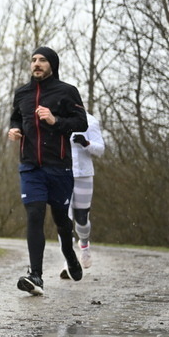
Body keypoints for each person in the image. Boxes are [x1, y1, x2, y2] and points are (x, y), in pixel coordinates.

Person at [7, 47, 88, 296]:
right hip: (31, 166)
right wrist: (13, 130)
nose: (36, 64)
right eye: (33, 60)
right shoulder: (22, 93)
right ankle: (36, 276)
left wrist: (55, 121)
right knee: (34, 214)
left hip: (59, 166)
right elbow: (16, 118)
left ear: (52, 64)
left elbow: (81, 123)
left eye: (42, 60)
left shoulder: (66, 92)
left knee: (61, 220)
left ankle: (69, 254)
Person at [60, 112, 105, 277]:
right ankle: (68, 262)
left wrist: (86, 143)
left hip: (83, 174)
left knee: (81, 219)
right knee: (63, 219)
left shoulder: (90, 121)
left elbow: (100, 149)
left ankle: (84, 244)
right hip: (62, 174)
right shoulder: (57, 119)